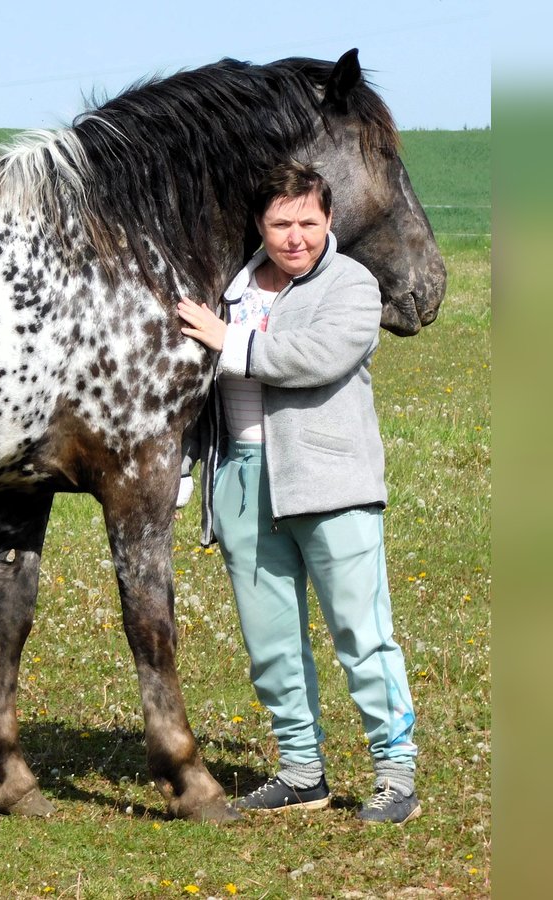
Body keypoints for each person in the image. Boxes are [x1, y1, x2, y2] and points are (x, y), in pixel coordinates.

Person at [176, 160, 420, 824]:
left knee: (362, 635)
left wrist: (230, 341)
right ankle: (301, 772)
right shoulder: (225, 287)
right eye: (280, 223)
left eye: (308, 222)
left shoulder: (353, 286)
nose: (295, 237)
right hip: (243, 485)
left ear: (329, 220)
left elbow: (317, 356)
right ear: (260, 224)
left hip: (331, 484)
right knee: (272, 642)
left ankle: (396, 776)